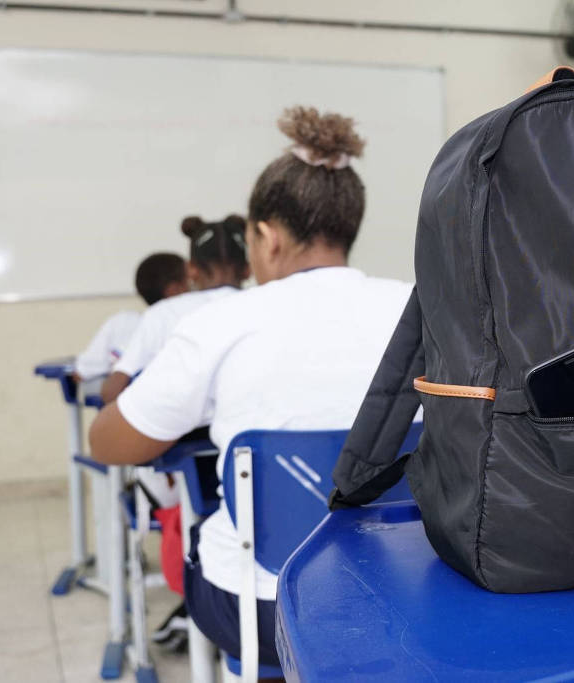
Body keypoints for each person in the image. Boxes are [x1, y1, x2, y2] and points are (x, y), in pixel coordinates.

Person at [90, 106, 412, 674]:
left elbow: (110, 443)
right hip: (404, 591)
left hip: (263, 608)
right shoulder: (422, 308)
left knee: (207, 533)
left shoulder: (219, 323)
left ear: (265, 237)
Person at [100, 215, 249, 404]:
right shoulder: (267, 306)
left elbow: (113, 390)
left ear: (191, 270)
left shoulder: (163, 313)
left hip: (177, 422)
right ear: (248, 269)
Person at [72, 252, 187, 382]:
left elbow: (81, 373)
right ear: (174, 290)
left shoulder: (121, 322)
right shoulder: (187, 327)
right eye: (191, 280)